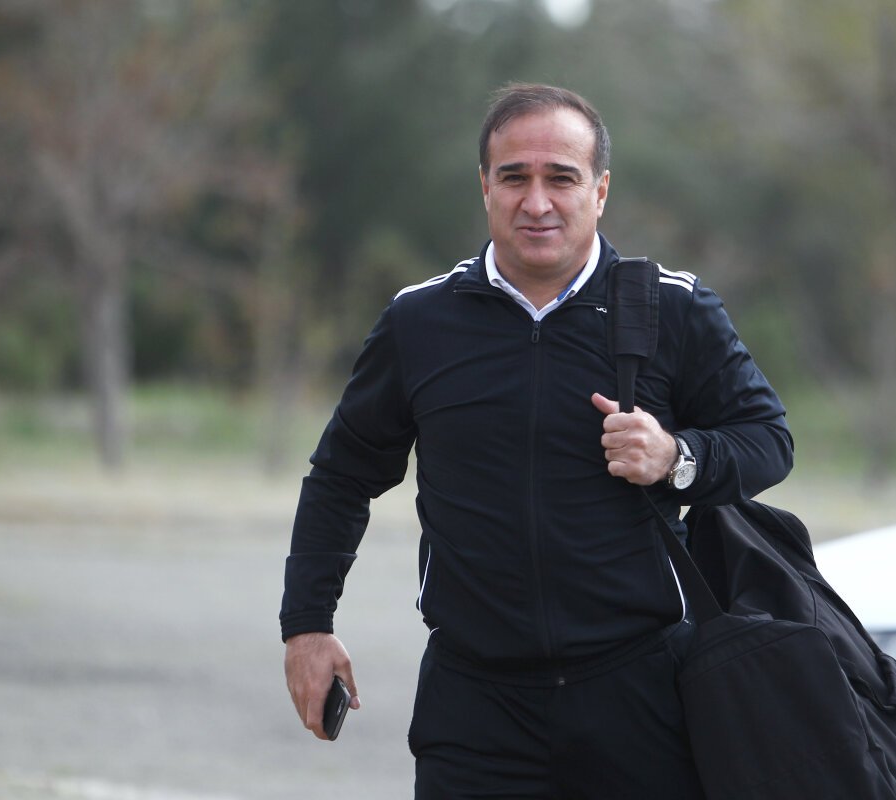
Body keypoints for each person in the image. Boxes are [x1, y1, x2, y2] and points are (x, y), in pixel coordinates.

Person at [281, 82, 793, 799]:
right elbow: (341, 476)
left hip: (640, 694)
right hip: (474, 703)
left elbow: (768, 439)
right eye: (515, 177)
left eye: (562, 178)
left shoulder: (673, 308)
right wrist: (307, 625)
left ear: (600, 191)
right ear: (485, 187)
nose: (537, 201)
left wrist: (677, 458)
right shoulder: (420, 322)